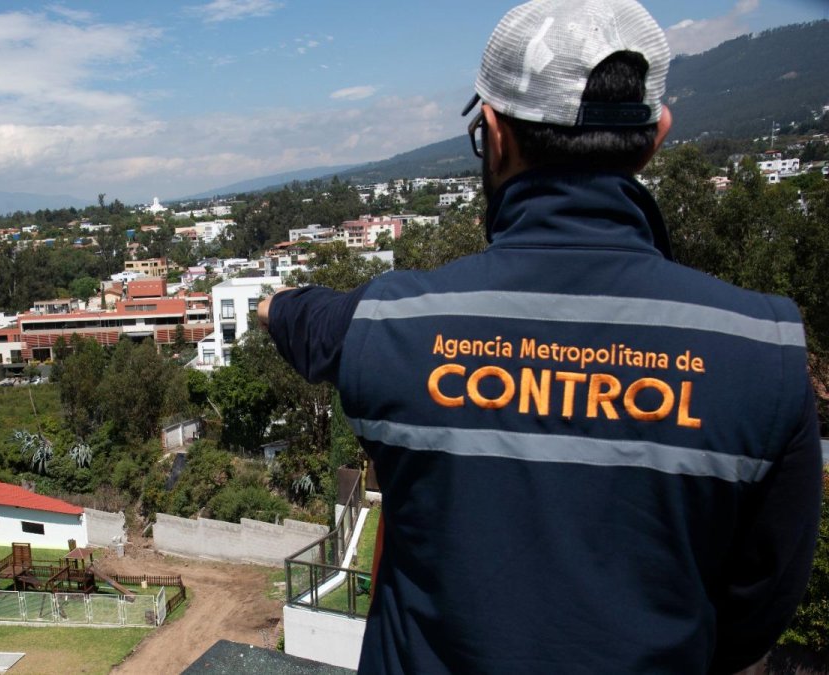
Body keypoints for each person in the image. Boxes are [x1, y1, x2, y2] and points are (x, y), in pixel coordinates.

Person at [258, 0, 823, 672]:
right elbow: (753, 611)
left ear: (493, 134)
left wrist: (270, 303)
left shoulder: (393, 325)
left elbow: (307, 322)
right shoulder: (763, 350)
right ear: (656, 135)